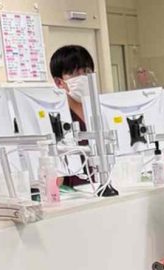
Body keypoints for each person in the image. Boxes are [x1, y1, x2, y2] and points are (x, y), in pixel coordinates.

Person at [50, 44, 95, 186]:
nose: (83, 78)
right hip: (74, 192)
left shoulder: (100, 113)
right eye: (75, 74)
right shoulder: (57, 120)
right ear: (59, 82)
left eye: (87, 72)